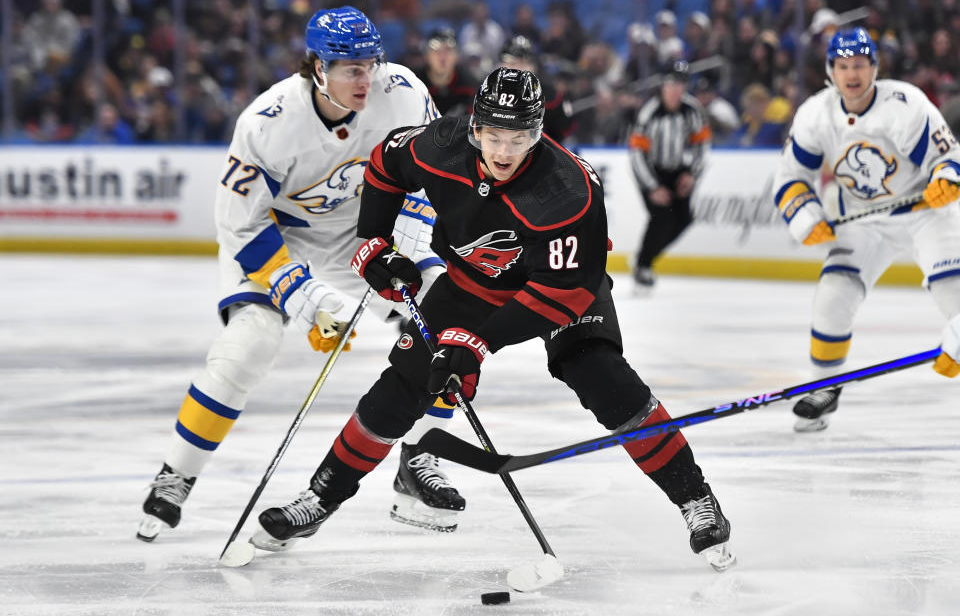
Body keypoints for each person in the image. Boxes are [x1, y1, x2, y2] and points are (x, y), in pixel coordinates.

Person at [249, 67, 736, 572]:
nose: (504, 152)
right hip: (468, 284)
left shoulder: (568, 190)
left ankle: (695, 500)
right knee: (401, 388)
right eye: (495, 136)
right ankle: (320, 498)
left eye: (520, 138)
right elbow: (385, 163)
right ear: (476, 128)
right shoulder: (441, 144)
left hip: (561, 292)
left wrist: (478, 341)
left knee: (603, 378)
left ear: (539, 131)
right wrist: (373, 241)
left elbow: (564, 293)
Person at [138, 6, 468, 542]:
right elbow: (240, 224)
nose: (366, 79)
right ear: (317, 67)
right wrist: (302, 292)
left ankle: (420, 460)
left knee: (447, 312)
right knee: (251, 342)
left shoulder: (402, 92)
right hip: (277, 234)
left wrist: (410, 227)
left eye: (370, 64)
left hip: (361, 230)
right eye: (350, 68)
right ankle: (178, 472)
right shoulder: (267, 123)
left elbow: (437, 171)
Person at [771, 27, 960, 432]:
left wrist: (946, 177)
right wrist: (805, 214)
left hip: (926, 210)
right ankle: (826, 386)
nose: (852, 74)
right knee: (833, 293)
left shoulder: (905, 104)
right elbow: (791, 176)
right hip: (866, 218)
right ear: (830, 71)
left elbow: (949, 157)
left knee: (952, 289)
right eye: (843, 66)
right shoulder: (815, 114)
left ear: (875, 67)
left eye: (859, 65)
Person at [627, 60, 712, 290]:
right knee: (662, 217)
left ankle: (644, 259)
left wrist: (692, 174)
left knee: (683, 219)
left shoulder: (692, 110)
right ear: (663, 86)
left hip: (677, 170)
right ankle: (643, 265)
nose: (676, 90)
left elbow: (702, 145)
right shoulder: (649, 113)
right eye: (672, 84)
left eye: (681, 85)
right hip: (651, 171)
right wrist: (652, 186)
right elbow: (636, 154)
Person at [498, 35, 573, 143]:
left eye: (523, 63)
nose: (517, 68)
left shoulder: (550, 95)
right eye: (511, 62)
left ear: (533, 66)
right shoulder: (487, 91)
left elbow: (561, 131)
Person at [413, 28, 478, 119]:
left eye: (448, 50)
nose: (442, 57)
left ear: (457, 56)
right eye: (436, 50)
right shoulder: (415, 85)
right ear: (426, 56)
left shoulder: (471, 87)